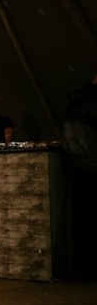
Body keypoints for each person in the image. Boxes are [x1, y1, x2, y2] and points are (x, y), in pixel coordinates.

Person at [61, 73, 97, 280]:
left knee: (80, 218)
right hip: (92, 163)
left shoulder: (74, 100)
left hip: (74, 163)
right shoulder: (94, 101)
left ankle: (81, 267)